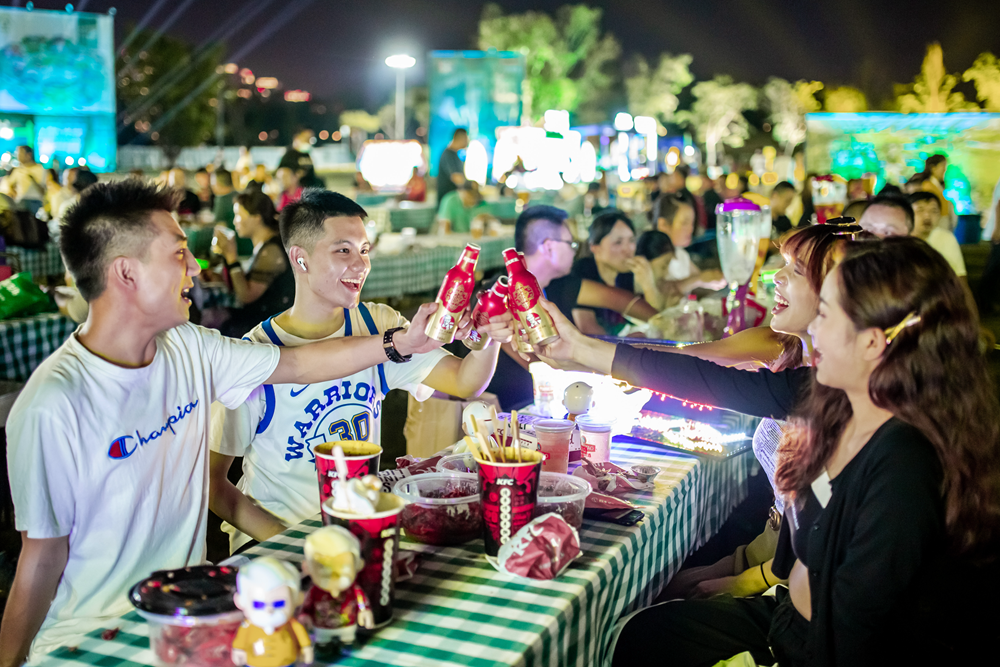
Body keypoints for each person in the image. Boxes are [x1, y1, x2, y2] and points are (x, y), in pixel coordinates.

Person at [0, 180, 449, 665]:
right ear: (126, 272)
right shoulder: (53, 404)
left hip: (188, 614)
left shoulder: (189, 348)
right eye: (179, 254)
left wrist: (400, 343)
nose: (196, 267)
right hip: (91, 637)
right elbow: (40, 558)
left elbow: (299, 364)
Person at [534, 238, 1000, 667]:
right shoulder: (837, 401)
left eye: (826, 314)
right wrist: (579, 349)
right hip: (786, 618)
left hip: (810, 647)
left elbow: (857, 635)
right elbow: (700, 377)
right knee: (636, 634)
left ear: (873, 342)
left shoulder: (903, 467)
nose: (814, 329)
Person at [209, 189, 512, 553]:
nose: (361, 265)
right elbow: (213, 484)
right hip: (275, 545)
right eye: (343, 251)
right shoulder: (255, 353)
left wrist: (490, 336)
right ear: (300, 258)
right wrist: (297, 542)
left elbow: (465, 381)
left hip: (359, 534)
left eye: (365, 250)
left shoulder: (376, 323)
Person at [483, 205, 657, 410]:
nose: (575, 251)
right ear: (549, 247)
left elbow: (624, 302)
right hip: (515, 410)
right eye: (571, 243)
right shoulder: (499, 294)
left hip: (562, 402)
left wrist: (657, 319)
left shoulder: (559, 284)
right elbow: (539, 365)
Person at [212, 190, 295, 338]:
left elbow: (246, 296)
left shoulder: (271, 251)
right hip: (263, 319)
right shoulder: (264, 245)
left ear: (256, 217)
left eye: (238, 215)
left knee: (211, 319)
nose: (234, 221)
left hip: (269, 328)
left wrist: (231, 257)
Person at [572, 210, 667, 334]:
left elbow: (656, 319)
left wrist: (648, 284)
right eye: (618, 242)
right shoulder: (583, 272)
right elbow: (588, 329)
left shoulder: (627, 273)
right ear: (595, 248)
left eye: (631, 240)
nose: (628, 250)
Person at [653, 193, 726, 294]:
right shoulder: (653, 255)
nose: (691, 229)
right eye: (684, 223)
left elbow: (700, 276)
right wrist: (699, 279)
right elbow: (661, 291)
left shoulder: (680, 254)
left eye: (692, 223)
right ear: (663, 224)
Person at [7, 146, 47, 216]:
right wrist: (13, 193)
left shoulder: (40, 169)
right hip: (21, 200)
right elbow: (10, 184)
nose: (18, 157)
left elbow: (43, 190)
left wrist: (33, 180)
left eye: (20, 154)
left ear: (29, 155)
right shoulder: (18, 170)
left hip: (35, 201)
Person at [436, 128, 468, 202]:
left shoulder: (455, 155)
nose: (467, 142)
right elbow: (456, 178)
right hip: (447, 201)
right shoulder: (448, 154)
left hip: (452, 200)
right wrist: (471, 185)